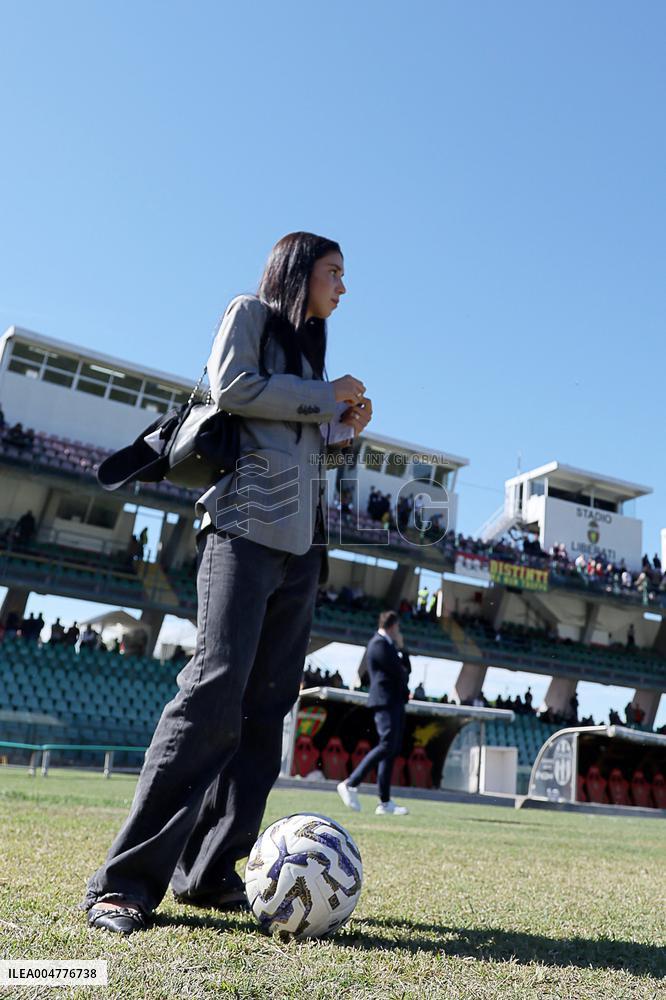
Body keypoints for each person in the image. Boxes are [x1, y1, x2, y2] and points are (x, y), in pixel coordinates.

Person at [81, 231, 372, 936]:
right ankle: (123, 885)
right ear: (299, 271)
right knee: (213, 692)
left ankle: (211, 873)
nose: (343, 286)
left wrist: (343, 432)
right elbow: (232, 387)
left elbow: (295, 445)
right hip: (242, 529)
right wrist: (321, 397)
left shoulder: (310, 354)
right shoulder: (249, 312)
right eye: (335, 272)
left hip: (300, 547)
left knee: (265, 713)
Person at [337, 610, 410, 816]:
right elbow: (400, 672)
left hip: (394, 702)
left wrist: (402, 649)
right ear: (393, 626)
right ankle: (351, 783)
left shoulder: (389, 645)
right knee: (386, 744)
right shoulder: (378, 644)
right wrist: (401, 659)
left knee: (390, 749)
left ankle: (385, 802)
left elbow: (405, 669)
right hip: (385, 701)